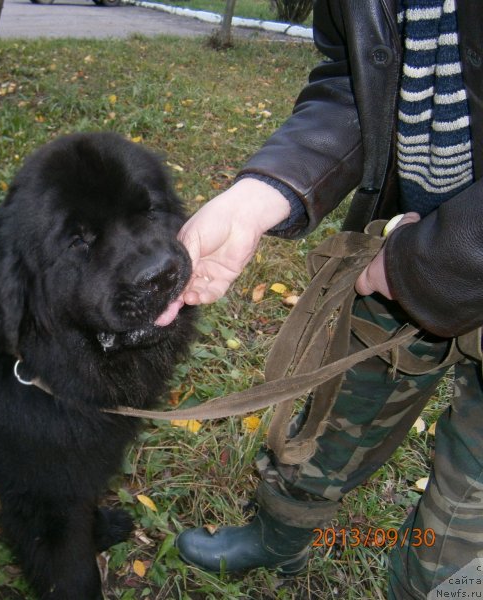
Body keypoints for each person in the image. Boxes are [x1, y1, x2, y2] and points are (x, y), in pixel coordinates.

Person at [173, 1, 483, 598]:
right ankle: (278, 537)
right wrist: (261, 194)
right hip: (408, 236)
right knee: (333, 416)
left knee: (458, 550)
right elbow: (357, 76)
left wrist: (416, 264)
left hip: (417, 254)